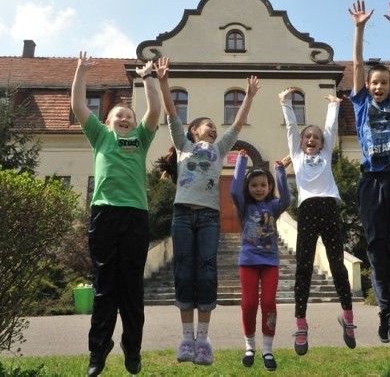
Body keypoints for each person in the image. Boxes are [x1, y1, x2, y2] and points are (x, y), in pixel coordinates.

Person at [154, 56, 260, 366]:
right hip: (183, 215)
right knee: (184, 270)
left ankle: (203, 338)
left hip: (210, 217)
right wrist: (163, 82)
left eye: (215, 127)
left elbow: (238, 124)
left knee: (206, 270)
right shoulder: (184, 146)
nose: (213, 129)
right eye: (208, 126)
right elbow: (172, 112)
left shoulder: (220, 149)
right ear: (193, 131)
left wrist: (250, 96)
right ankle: (186, 337)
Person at [70, 51, 161, 376]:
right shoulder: (101, 137)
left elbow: (155, 110)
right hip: (104, 215)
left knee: (132, 288)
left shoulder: (141, 138)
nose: (124, 120)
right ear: (107, 122)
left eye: (128, 117)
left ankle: (132, 349)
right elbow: (79, 107)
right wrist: (81, 71)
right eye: (118, 116)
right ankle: (99, 351)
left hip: (136, 216)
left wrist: (148, 77)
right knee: (105, 286)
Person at [348, 0, 390, 345]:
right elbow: (357, 62)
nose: (379, 86)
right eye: (374, 82)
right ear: (368, 85)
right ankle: (384, 308)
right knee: (375, 246)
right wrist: (359, 28)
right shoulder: (359, 103)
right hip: (371, 182)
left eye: (384, 82)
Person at [279, 88, 356, 355]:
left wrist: (334, 106)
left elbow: (330, 129)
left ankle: (347, 318)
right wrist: (285, 103)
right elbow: (291, 128)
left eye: (316, 137)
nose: (312, 138)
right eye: (308, 137)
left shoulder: (325, 155)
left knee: (337, 264)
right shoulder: (298, 156)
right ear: (301, 143)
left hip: (329, 209)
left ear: (323, 144)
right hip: (308, 211)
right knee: (303, 268)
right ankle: (301, 324)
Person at [230, 149, 291, 371]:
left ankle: (267, 349)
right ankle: (249, 346)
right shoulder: (244, 206)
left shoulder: (273, 207)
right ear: (248, 188)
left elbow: (287, 199)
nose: (258, 189)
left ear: (269, 187)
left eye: (263, 185)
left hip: (270, 262)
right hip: (248, 260)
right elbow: (234, 191)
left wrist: (280, 172)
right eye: (254, 185)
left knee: (267, 303)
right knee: (248, 304)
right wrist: (241, 162)